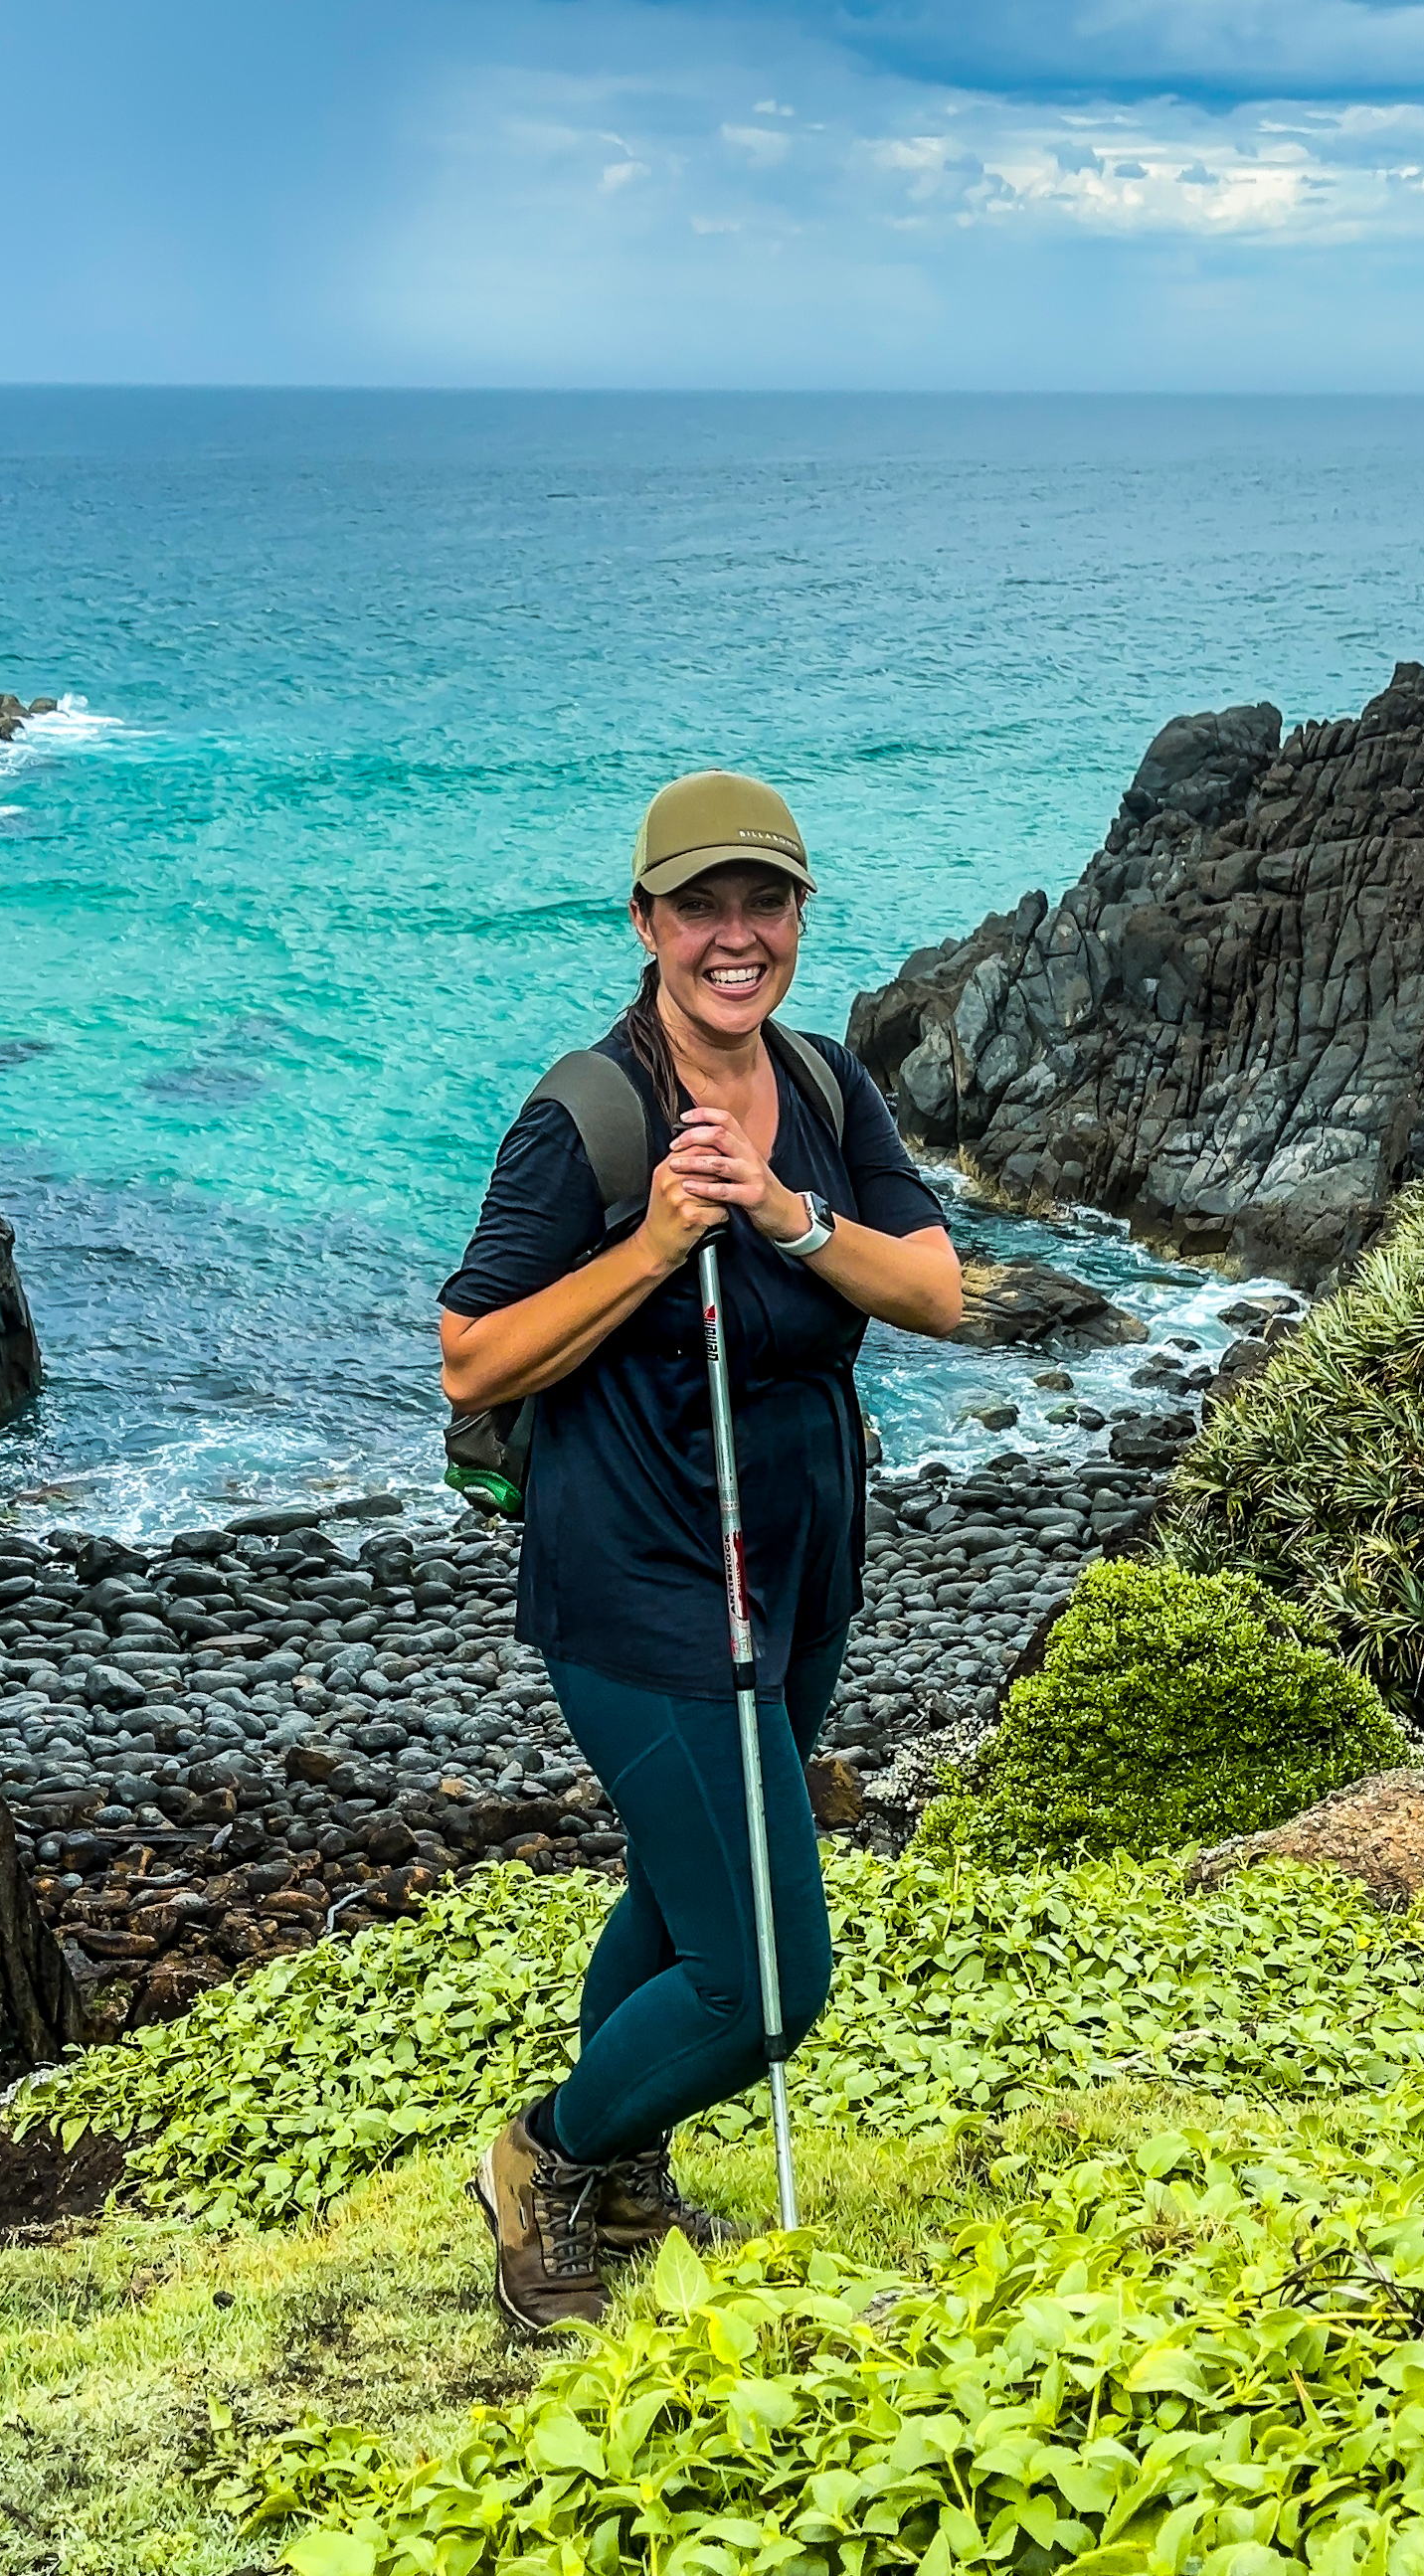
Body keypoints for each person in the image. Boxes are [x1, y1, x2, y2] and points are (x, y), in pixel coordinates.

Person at [438, 769, 964, 2334]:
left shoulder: (821, 1079)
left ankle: (621, 2182)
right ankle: (545, 2156)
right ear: (648, 921)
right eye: (700, 907)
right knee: (768, 1982)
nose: (735, 936)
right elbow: (473, 1359)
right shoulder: (584, 1116)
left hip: (802, 1562)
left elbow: (937, 1291)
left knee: (683, 1903)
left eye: (765, 904)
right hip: (646, 1580)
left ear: (799, 916)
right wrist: (660, 1244)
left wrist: (792, 1219)